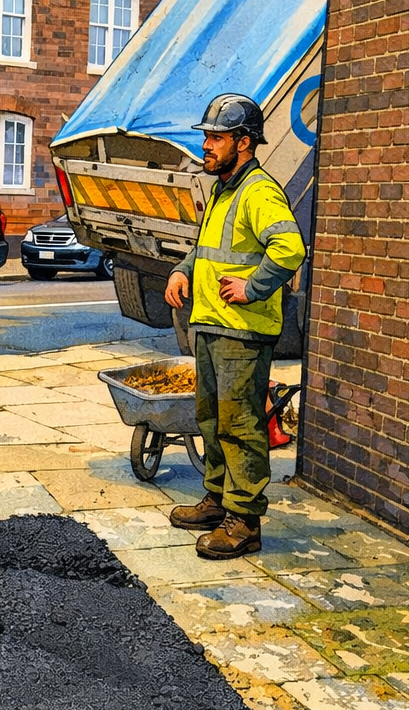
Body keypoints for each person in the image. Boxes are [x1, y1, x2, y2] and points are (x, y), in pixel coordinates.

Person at [164, 94, 306, 558]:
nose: (206, 145)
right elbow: (207, 247)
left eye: (216, 137)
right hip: (213, 324)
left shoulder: (258, 191)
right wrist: (183, 268)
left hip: (242, 331)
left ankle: (243, 521)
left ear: (243, 143)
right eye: (206, 136)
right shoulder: (225, 188)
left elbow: (289, 248)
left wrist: (252, 288)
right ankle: (219, 499)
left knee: (240, 424)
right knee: (211, 418)